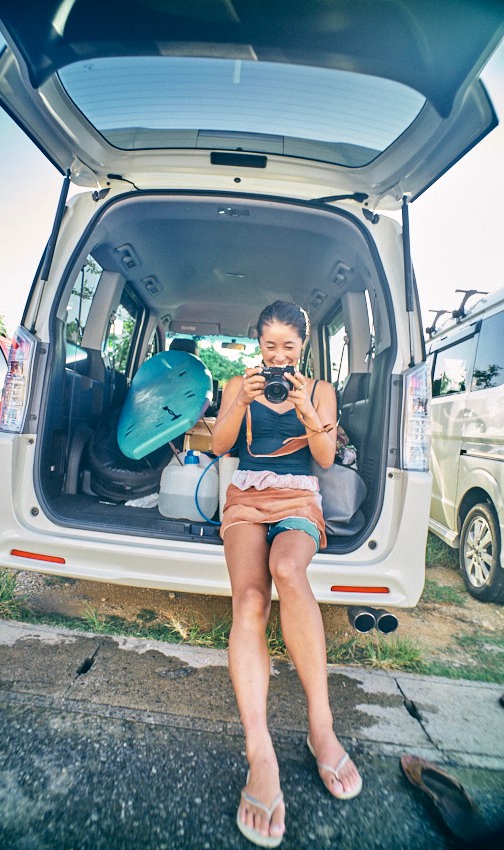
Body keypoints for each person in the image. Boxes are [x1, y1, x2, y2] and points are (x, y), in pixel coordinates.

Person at [211, 301, 362, 847]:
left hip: (299, 495)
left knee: (288, 570)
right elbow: (223, 445)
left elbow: (323, 456)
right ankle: (261, 751)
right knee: (250, 601)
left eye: (289, 348)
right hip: (247, 494)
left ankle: (321, 728)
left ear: (304, 348)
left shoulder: (319, 389)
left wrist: (305, 408)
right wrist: (242, 400)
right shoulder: (238, 384)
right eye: (270, 347)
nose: (278, 358)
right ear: (258, 345)